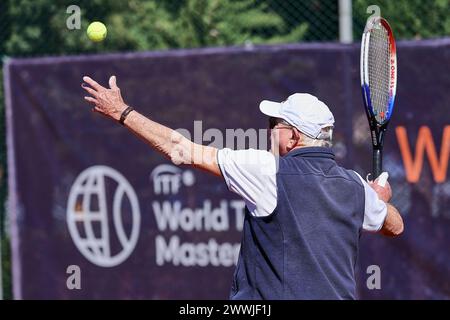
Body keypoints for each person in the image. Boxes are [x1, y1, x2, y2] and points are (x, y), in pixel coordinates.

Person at [81, 75, 404, 300]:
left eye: (274, 126)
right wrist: (379, 201)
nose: (268, 132)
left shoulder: (267, 170)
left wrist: (122, 113)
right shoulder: (355, 187)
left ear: (293, 137)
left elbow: (180, 148)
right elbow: (395, 225)